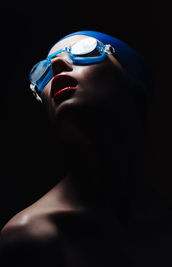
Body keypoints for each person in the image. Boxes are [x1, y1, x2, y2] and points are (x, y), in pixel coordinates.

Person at [0, 30, 154, 267]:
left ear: (131, 80)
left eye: (86, 50)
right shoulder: (29, 238)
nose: (58, 65)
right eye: (44, 71)